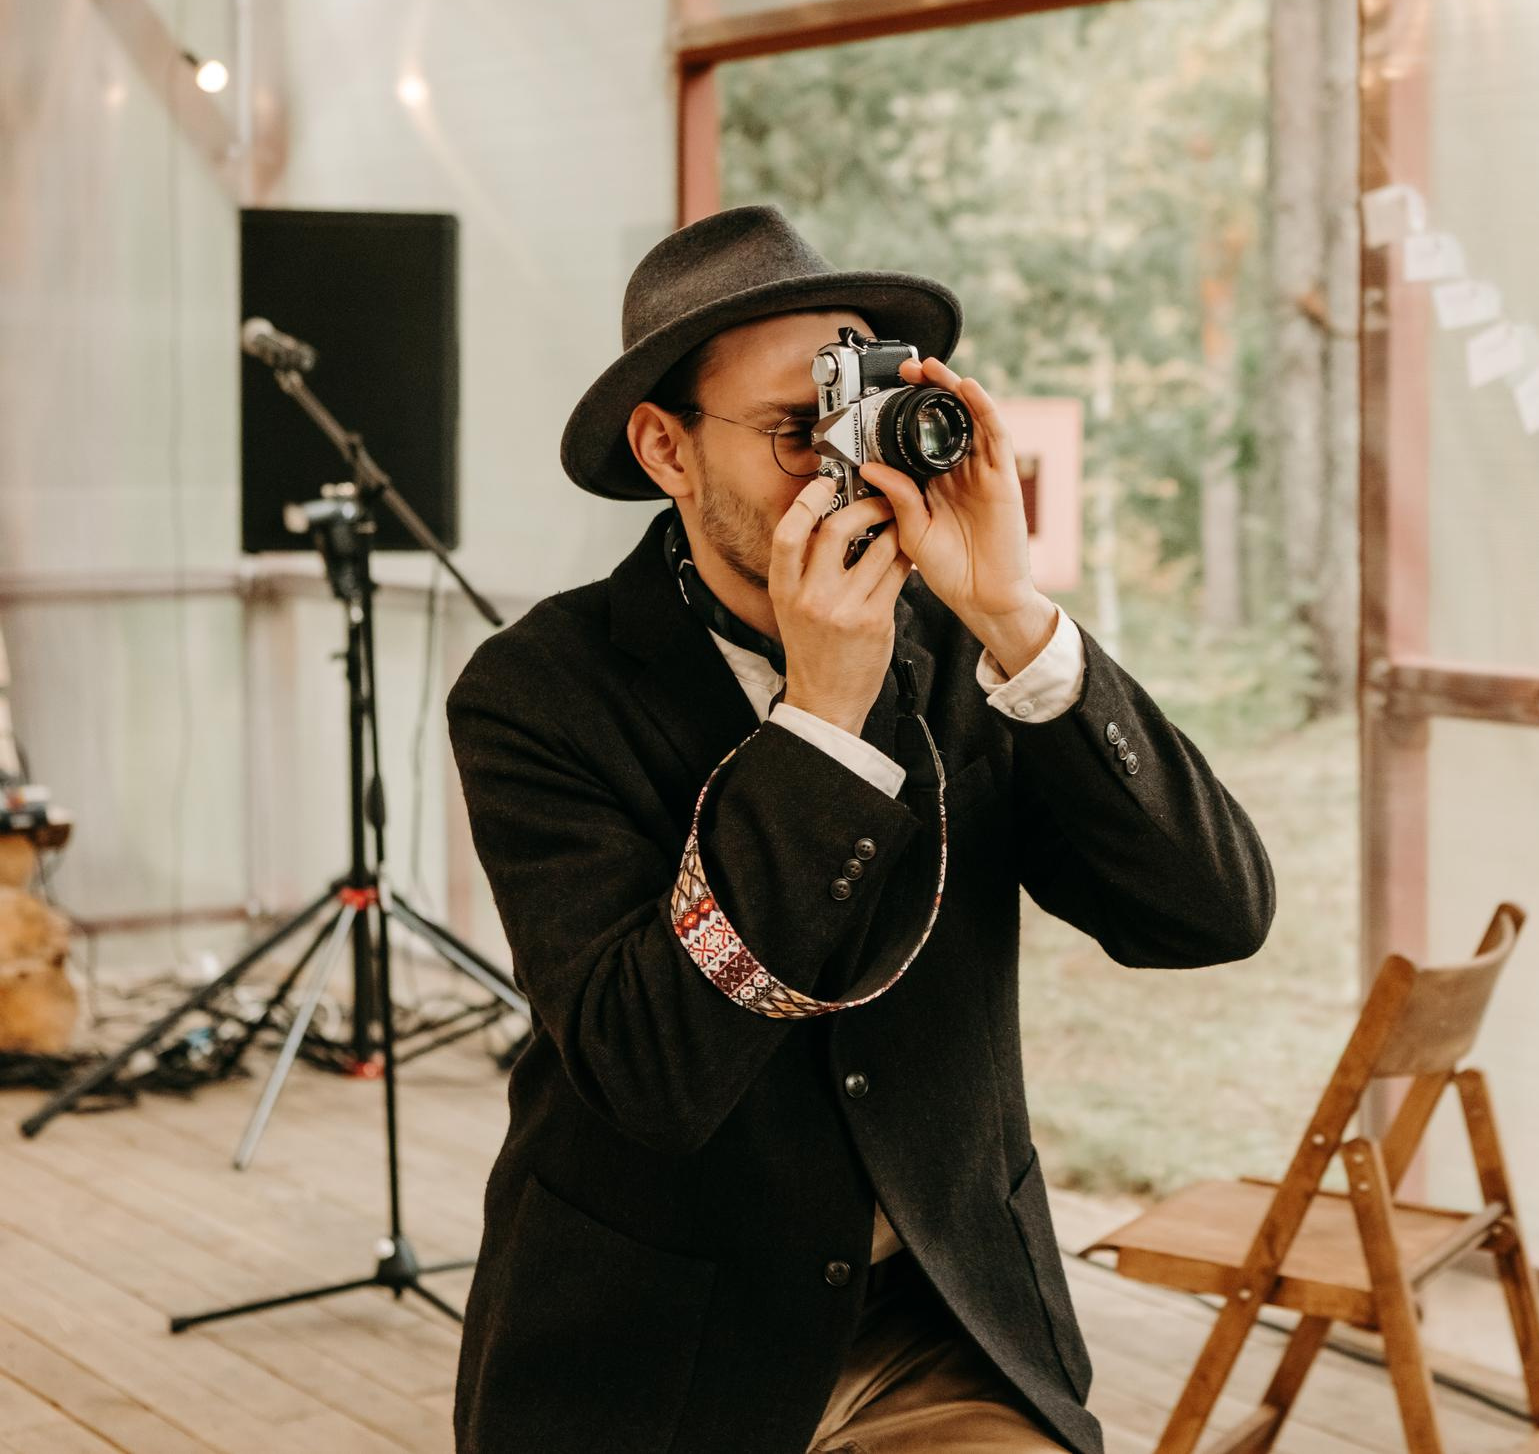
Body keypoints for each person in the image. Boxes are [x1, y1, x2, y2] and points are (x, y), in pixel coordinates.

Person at [445, 205, 1276, 1454]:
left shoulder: (958, 647)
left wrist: (1017, 617)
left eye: (866, 411)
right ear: (668, 450)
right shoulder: (538, 691)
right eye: (799, 428)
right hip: (654, 1352)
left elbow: (1212, 916)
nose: (849, 467)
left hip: (939, 1319)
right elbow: (651, 1076)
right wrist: (821, 720)